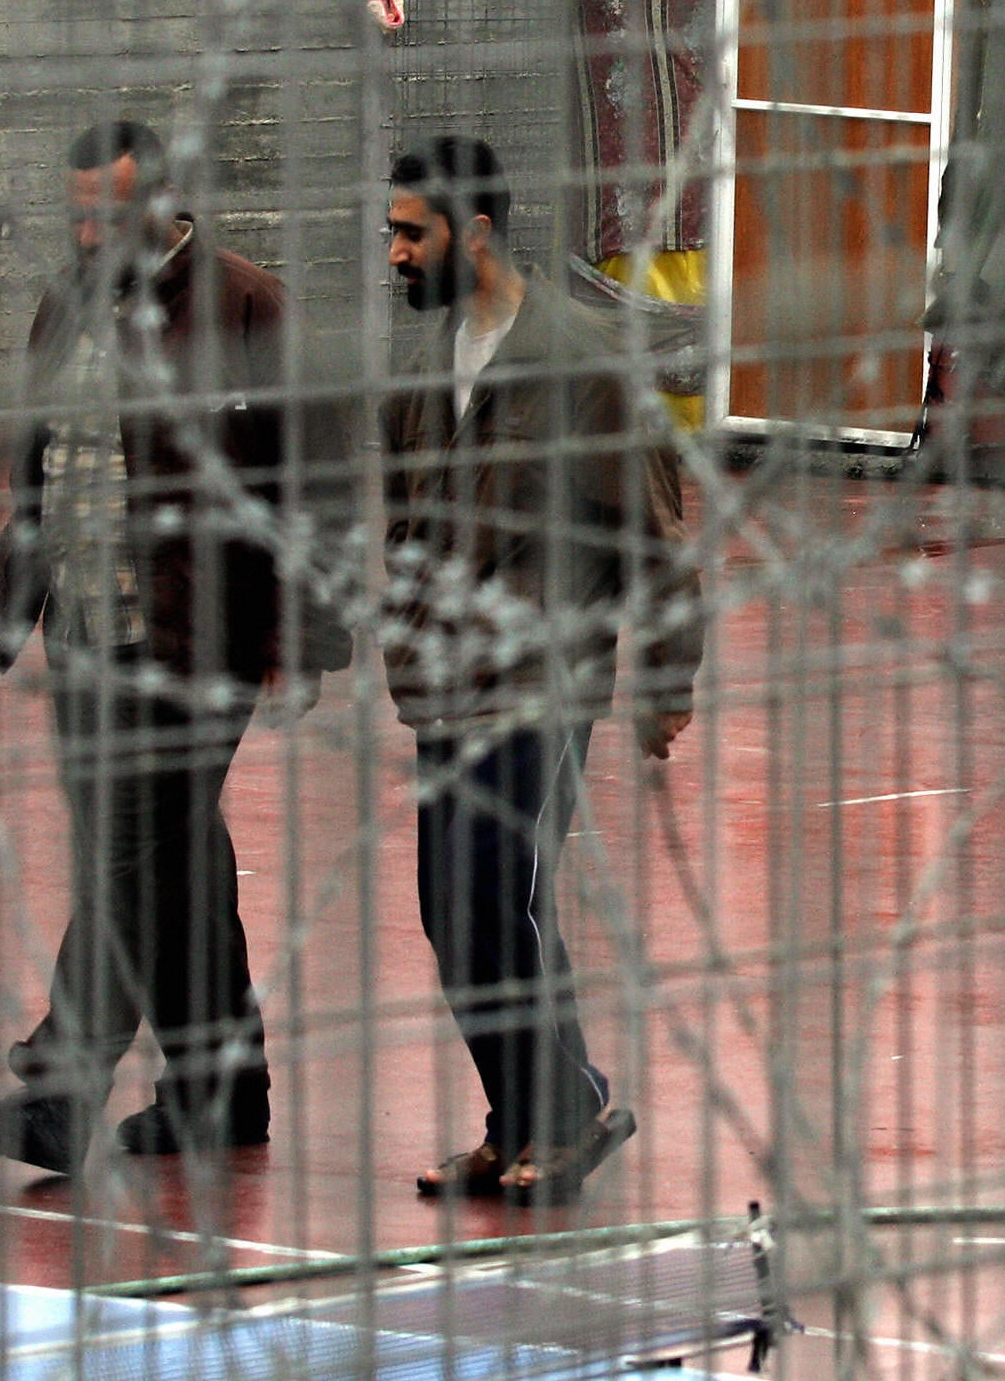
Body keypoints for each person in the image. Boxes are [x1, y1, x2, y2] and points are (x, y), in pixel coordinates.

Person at [0, 120, 353, 1174]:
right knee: (167, 868)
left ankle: (63, 1080)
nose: (91, 233)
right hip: (85, 636)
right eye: (78, 213)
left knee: (131, 853)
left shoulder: (246, 306)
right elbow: (36, 458)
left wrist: (302, 638)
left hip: (199, 644)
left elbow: (312, 485)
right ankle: (222, 1093)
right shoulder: (65, 304)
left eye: (111, 213)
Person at [380, 134, 704, 1205]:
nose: (394, 254)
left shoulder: (581, 362)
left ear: (474, 233)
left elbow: (653, 537)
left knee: (493, 906)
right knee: (453, 913)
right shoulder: (429, 365)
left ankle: (564, 1112)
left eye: (409, 233)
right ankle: (525, 1115)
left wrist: (664, 682)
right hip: (445, 685)